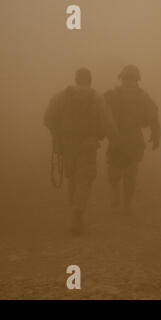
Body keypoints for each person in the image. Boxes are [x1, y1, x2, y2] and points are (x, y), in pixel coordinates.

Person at [44, 68, 115, 235]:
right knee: (85, 178)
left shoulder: (61, 96)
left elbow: (48, 119)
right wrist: (114, 138)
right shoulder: (96, 98)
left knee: (73, 178)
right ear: (90, 80)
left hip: (67, 145)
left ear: (76, 79)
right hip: (88, 144)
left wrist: (58, 136)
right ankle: (77, 214)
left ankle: (75, 213)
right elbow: (108, 123)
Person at [104, 65, 161, 215]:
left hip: (118, 139)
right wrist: (156, 135)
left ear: (121, 78)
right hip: (133, 140)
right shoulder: (142, 96)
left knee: (116, 172)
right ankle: (126, 204)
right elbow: (153, 115)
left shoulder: (112, 94)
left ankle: (117, 195)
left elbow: (98, 112)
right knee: (129, 175)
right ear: (137, 79)